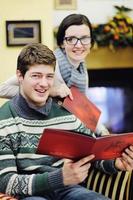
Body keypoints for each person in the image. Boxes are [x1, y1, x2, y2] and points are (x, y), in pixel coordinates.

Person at [0, 43, 133, 200]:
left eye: (49, 76)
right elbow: (5, 181)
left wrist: (115, 163)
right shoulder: (4, 119)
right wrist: (59, 178)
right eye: (36, 76)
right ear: (20, 76)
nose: (44, 84)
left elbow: (92, 152)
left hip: (68, 190)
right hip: (30, 195)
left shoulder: (67, 110)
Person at [0, 14, 108, 135]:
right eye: (71, 39)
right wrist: (51, 92)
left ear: (91, 42)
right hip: (41, 129)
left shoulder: (81, 69)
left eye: (85, 38)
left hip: (69, 127)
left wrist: (103, 131)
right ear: (62, 43)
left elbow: (84, 107)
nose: (79, 45)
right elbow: (2, 89)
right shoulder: (48, 65)